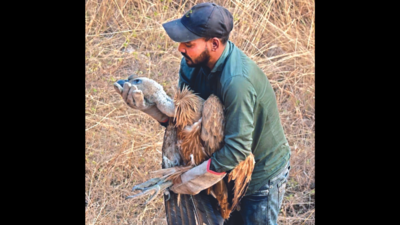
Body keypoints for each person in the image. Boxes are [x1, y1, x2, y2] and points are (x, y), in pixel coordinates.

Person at [116, 2, 291, 225]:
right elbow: (189, 123)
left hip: (260, 175)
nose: (180, 48)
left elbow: (237, 149)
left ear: (214, 44)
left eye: (188, 43)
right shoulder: (191, 64)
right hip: (224, 169)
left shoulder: (237, 82)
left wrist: (193, 179)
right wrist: (153, 107)